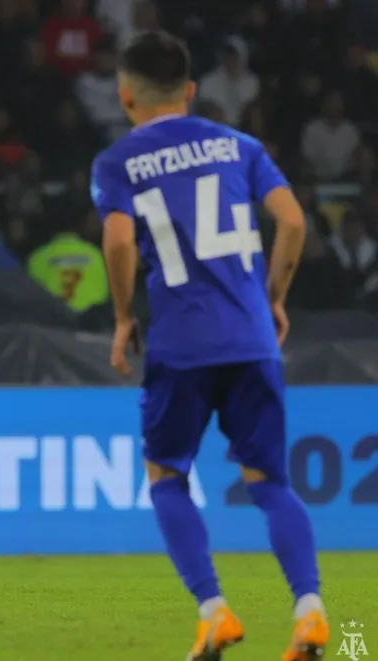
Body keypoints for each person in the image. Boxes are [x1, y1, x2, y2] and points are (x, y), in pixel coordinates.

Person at [89, 32, 328, 661]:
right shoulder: (242, 146)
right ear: (191, 91)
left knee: (167, 477)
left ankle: (215, 612)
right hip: (251, 338)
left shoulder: (117, 162)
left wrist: (121, 317)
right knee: (271, 481)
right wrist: (273, 299)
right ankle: (309, 612)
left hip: (180, 342)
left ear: (125, 95)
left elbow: (117, 243)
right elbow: (295, 220)